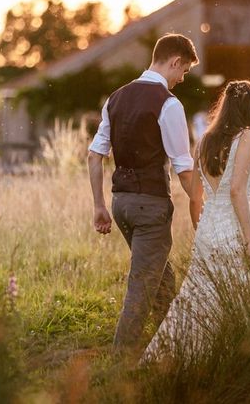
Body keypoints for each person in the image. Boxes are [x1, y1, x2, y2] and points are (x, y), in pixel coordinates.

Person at [86, 33, 199, 355]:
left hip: (120, 204)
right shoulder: (169, 103)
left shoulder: (116, 97)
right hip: (150, 207)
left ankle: (173, 346)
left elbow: (95, 155)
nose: (181, 79)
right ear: (174, 61)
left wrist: (99, 206)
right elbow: (183, 166)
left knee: (161, 278)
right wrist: (202, 204)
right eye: (184, 71)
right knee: (142, 286)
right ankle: (119, 364)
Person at [142, 80, 250, 362]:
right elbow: (236, 190)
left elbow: (195, 196)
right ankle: (233, 358)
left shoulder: (205, 140)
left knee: (197, 297)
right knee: (236, 297)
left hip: (208, 227)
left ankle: (176, 354)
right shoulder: (247, 137)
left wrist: (202, 226)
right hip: (231, 226)